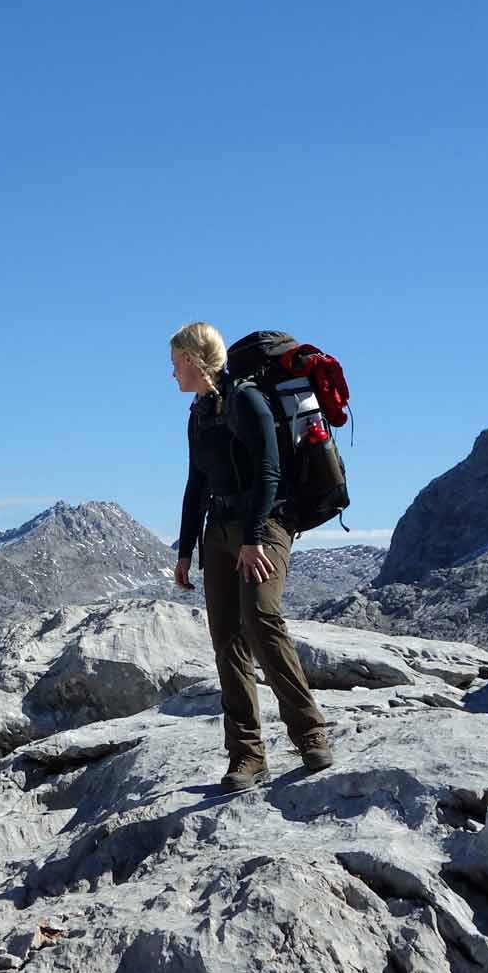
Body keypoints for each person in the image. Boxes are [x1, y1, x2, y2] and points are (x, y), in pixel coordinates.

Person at [170, 321, 334, 792]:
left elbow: (268, 470)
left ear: (195, 359)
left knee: (260, 617)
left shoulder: (247, 399)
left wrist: (255, 536)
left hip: (266, 524)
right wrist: (184, 551)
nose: (172, 373)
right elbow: (196, 484)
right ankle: (247, 756)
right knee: (226, 638)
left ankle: (310, 733)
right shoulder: (199, 411)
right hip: (218, 531)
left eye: (176, 362)